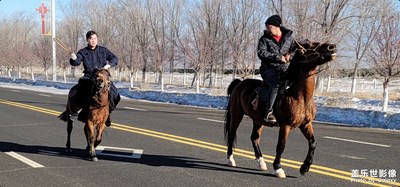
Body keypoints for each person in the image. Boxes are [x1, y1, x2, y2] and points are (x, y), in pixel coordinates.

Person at [68, 30, 120, 127]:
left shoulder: (103, 50)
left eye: (95, 38)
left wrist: (108, 65)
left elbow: (115, 59)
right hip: (89, 77)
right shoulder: (83, 52)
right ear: (87, 40)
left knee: (116, 95)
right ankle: (76, 112)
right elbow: (76, 62)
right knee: (79, 92)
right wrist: (73, 58)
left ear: (97, 39)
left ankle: (108, 114)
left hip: (102, 77)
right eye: (91, 39)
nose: (93, 41)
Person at [257, 15, 295, 123]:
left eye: (269, 27)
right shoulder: (264, 39)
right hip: (268, 69)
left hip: (284, 69)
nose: (267, 29)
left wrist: (290, 55)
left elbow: (295, 50)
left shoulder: (289, 38)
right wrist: (278, 57)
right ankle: (269, 112)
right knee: (276, 84)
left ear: (277, 26)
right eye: (267, 27)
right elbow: (261, 53)